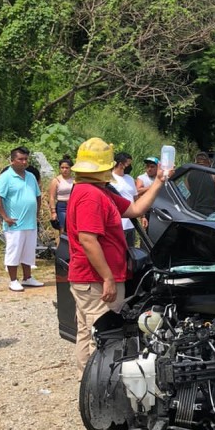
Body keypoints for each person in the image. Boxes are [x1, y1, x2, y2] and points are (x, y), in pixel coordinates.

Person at [66, 138, 169, 376]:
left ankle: (88, 382)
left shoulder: (100, 192)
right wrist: (108, 278)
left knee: (87, 330)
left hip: (94, 278)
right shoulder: (90, 195)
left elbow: (134, 210)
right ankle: (98, 388)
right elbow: (88, 240)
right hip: (95, 279)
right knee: (101, 334)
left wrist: (160, 181)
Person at [0, 147, 44, 292]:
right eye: (20, 159)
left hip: (30, 222)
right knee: (14, 251)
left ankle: (28, 278)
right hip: (14, 223)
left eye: (26, 159)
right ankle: (13, 280)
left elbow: (37, 195)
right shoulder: (6, 177)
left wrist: (36, 214)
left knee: (28, 251)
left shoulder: (30, 176)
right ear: (12, 161)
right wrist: (5, 217)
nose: (24, 162)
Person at [186, 151, 215, 215]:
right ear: (209, 162)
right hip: (208, 211)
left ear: (195, 162)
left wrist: (186, 207)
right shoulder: (214, 174)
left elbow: (186, 192)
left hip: (192, 210)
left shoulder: (189, 174)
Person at [111, 151, 137, 246]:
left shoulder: (129, 179)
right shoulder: (110, 179)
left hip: (131, 223)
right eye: (128, 164)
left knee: (131, 253)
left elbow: (135, 198)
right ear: (121, 164)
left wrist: (142, 216)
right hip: (117, 224)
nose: (129, 166)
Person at [48, 155, 74, 232]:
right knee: (63, 228)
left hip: (72, 205)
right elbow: (52, 197)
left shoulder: (74, 180)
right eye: (62, 168)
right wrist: (53, 212)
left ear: (71, 168)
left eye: (67, 168)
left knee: (73, 228)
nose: (64, 170)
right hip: (62, 207)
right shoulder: (56, 180)